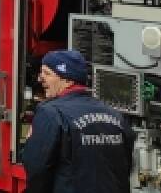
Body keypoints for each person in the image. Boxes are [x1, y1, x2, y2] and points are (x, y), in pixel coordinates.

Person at [21, 49, 135, 193]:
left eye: (47, 73)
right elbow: (126, 166)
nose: (39, 79)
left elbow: (37, 166)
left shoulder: (51, 113)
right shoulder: (115, 115)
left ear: (68, 80)